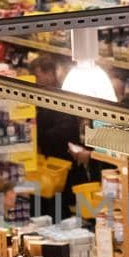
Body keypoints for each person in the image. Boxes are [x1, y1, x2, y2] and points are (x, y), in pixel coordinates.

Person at [30, 53, 101, 219]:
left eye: (37, 75)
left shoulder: (64, 95)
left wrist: (39, 138)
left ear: (50, 74)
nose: (34, 80)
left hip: (66, 166)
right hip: (50, 168)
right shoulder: (40, 96)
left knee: (62, 210)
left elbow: (65, 130)